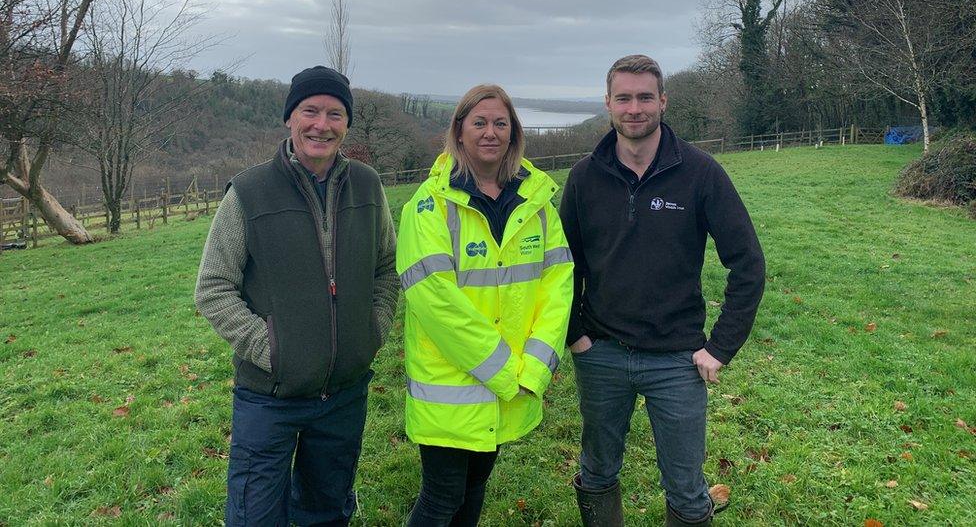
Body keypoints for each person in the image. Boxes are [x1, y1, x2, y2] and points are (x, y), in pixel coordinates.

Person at [561, 55, 766, 527]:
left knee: (687, 490)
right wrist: (576, 335)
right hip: (601, 353)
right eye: (624, 97)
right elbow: (562, 266)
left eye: (645, 97)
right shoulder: (584, 177)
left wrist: (721, 347)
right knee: (595, 473)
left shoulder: (700, 172)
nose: (635, 108)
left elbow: (748, 264)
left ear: (663, 102)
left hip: (677, 358)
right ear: (608, 103)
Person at [195, 65, 399, 526]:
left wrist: (372, 330)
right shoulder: (248, 192)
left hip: (344, 394)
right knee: (254, 517)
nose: (321, 125)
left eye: (334, 113)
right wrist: (272, 349)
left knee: (326, 513)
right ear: (290, 118)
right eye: (309, 111)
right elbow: (212, 287)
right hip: (270, 396)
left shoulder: (367, 186)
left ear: (346, 123)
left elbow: (387, 266)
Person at [396, 84, 574, 526]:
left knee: (474, 490)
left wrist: (533, 367)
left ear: (513, 132)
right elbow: (436, 302)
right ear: (459, 132)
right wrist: (502, 371)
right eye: (479, 122)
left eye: (500, 123)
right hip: (452, 386)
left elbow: (558, 286)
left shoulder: (536, 203)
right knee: (441, 498)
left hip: (509, 382)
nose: (490, 132)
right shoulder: (428, 206)